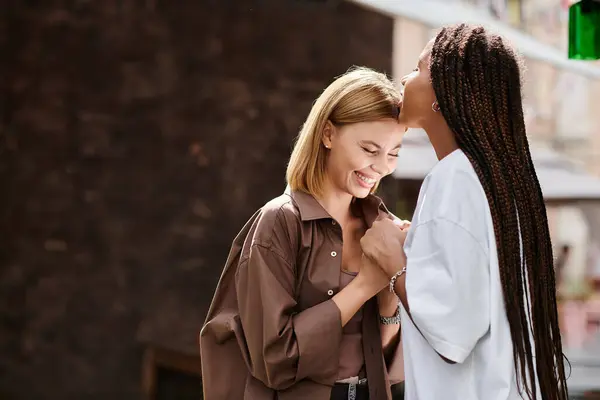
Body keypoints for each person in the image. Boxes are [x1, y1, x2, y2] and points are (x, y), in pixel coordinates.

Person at [360, 24, 569, 400]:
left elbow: (453, 331)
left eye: (419, 69)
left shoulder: (454, 177)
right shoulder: (500, 182)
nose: (405, 79)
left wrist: (392, 260)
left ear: (442, 92)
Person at [200, 67, 408, 400]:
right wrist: (367, 284)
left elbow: (386, 364)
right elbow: (274, 361)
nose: (382, 167)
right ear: (328, 134)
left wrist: (389, 301)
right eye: (370, 150)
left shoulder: (383, 228)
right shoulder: (278, 223)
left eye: (394, 153)